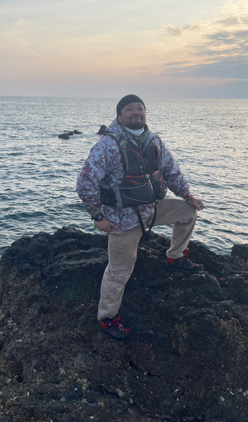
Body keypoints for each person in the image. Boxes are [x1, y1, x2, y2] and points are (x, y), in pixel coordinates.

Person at [76, 94, 205, 340]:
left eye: (140, 108)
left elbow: (171, 170)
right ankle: (107, 318)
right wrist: (97, 215)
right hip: (123, 221)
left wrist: (187, 195)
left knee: (188, 212)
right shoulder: (107, 145)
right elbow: (85, 183)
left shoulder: (153, 140)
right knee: (119, 271)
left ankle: (175, 257)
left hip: (153, 209)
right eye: (129, 109)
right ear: (119, 116)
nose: (136, 112)